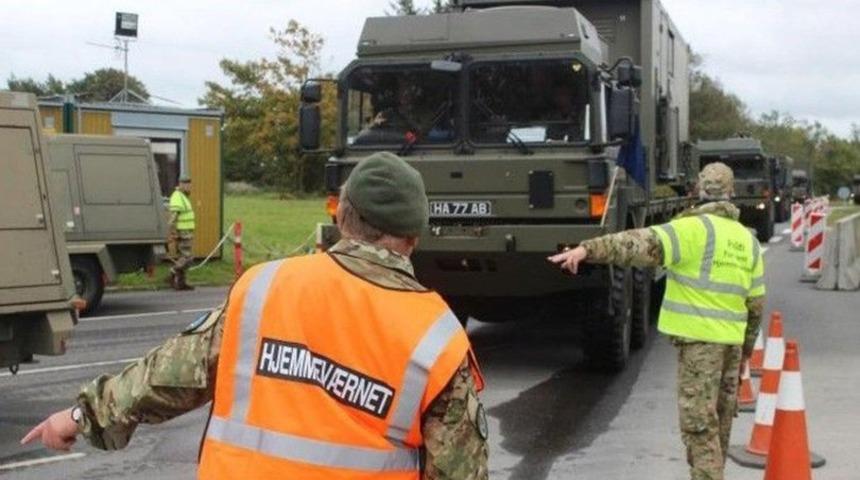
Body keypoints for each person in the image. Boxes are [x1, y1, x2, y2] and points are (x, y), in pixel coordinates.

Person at [21, 152, 489, 480]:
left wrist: (82, 416)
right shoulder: (436, 336)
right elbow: (460, 469)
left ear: (342, 217)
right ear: (413, 237)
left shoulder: (264, 287)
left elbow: (170, 375)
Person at [548, 162, 765, 480]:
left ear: (698, 191)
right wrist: (746, 351)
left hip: (699, 346)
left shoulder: (690, 230)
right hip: (731, 346)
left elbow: (633, 243)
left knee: (699, 427)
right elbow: (756, 304)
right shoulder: (747, 240)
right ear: (731, 194)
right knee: (719, 425)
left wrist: (586, 250)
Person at [168, 176, 195, 291]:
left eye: (189, 184)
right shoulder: (178, 197)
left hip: (186, 231)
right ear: (181, 184)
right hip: (183, 232)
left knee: (182, 256)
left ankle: (181, 283)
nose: (189, 186)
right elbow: (173, 217)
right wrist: (172, 231)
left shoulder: (183, 196)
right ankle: (173, 271)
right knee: (187, 257)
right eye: (186, 184)